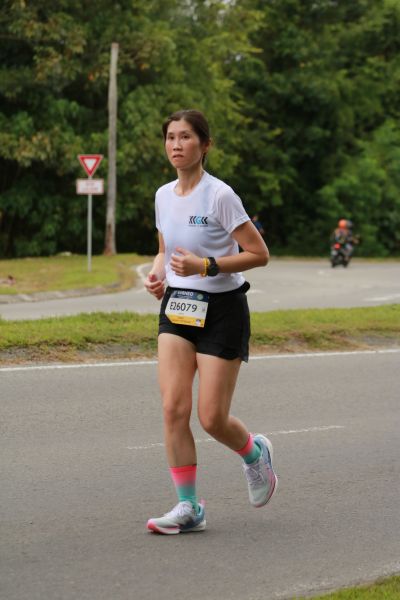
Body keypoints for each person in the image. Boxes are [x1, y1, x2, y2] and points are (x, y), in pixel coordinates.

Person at [144, 109, 277, 535]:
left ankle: (254, 453)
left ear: (205, 145)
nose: (176, 145)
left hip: (222, 309)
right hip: (179, 306)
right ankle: (189, 507)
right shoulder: (163, 195)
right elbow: (165, 249)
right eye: (170, 137)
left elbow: (259, 253)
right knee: (173, 408)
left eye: (185, 137)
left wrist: (207, 265)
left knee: (212, 418)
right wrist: (157, 273)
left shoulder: (220, 195)